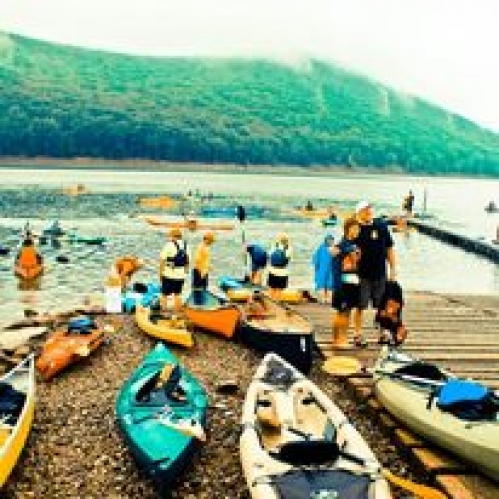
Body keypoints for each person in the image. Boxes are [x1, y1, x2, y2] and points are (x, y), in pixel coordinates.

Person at [353, 201, 397, 345]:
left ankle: (383, 333)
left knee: (381, 305)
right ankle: (357, 334)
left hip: (380, 273)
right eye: (365, 209)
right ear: (358, 213)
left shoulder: (381, 226)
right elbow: (346, 247)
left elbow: (389, 248)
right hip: (362, 275)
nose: (368, 211)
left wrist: (393, 269)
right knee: (360, 306)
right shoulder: (355, 228)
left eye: (369, 209)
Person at [332, 218, 362, 348]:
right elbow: (335, 264)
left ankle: (342, 338)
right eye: (355, 228)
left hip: (352, 282)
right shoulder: (341, 245)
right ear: (348, 229)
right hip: (343, 284)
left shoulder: (353, 244)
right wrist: (337, 286)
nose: (357, 231)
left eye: (358, 228)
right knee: (342, 312)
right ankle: (337, 340)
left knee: (347, 312)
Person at [159, 228, 189, 312]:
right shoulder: (186, 245)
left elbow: (162, 260)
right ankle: (177, 311)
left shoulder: (169, 245)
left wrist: (160, 273)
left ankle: (164, 311)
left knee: (164, 294)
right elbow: (187, 260)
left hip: (169, 274)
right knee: (178, 294)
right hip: (181, 274)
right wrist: (185, 271)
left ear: (172, 236)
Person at [311, 233, 339, 304]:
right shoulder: (321, 248)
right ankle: (322, 299)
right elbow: (315, 258)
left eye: (331, 240)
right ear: (325, 240)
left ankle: (329, 299)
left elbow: (338, 258)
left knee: (330, 284)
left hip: (331, 269)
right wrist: (316, 266)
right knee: (321, 283)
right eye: (329, 240)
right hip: (322, 269)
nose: (330, 241)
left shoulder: (335, 248)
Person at [267, 233, 292, 301]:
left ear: (278, 240)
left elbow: (269, 256)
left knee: (271, 289)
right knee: (279, 290)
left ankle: (270, 302)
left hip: (272, 271)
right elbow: (288, 258)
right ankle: (276, 302)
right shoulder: (289, 248)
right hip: (283, 272)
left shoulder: (274, 247)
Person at [192, 232, 215, 301]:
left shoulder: (206, 247)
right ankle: (197, 303)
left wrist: (208, 266)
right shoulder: (201, 247)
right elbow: (197, 260)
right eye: (211, 241)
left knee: (204, 288)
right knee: (197, 288)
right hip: (199, 271)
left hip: (204, 271)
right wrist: (201, 271)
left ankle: (202, 302)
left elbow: (205, 259)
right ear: (206, 240)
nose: (211, 243)